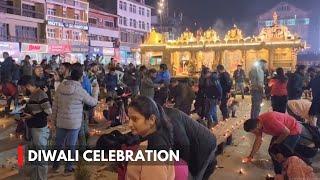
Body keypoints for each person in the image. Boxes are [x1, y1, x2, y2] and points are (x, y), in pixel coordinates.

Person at [51, 66, 99, 175]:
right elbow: (92, 102)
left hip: (60, 122)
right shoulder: (80, 90)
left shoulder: (60, 88)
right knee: (71, 145)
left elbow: (55, 106)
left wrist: (53, 122)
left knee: (58, 144)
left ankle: (55, 165)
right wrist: (95, 91)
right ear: (81, 78)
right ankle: (68, 167)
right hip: (74, 123)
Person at [126, 96, 175, 180]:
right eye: (129, 118)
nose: (130, 124)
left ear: (152, 119)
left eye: (135, 119)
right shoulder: (156, 139)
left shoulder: (153, 151)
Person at [164, 107, 217, 180]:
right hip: (195, 145)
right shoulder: (162, 117)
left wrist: (184, 167)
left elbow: (183, 144)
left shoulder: (170, 118)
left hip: (204, 147)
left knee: (195, 175)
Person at [18, 76, 52, 180]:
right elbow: (35, 109)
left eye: (22, 88)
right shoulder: (32, 95)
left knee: (41, 158)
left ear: (28, 86)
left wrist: (31, 116)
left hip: (39, 129)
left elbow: (48, 112)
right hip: (33, 128)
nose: (22, 90)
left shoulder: (41, 94)